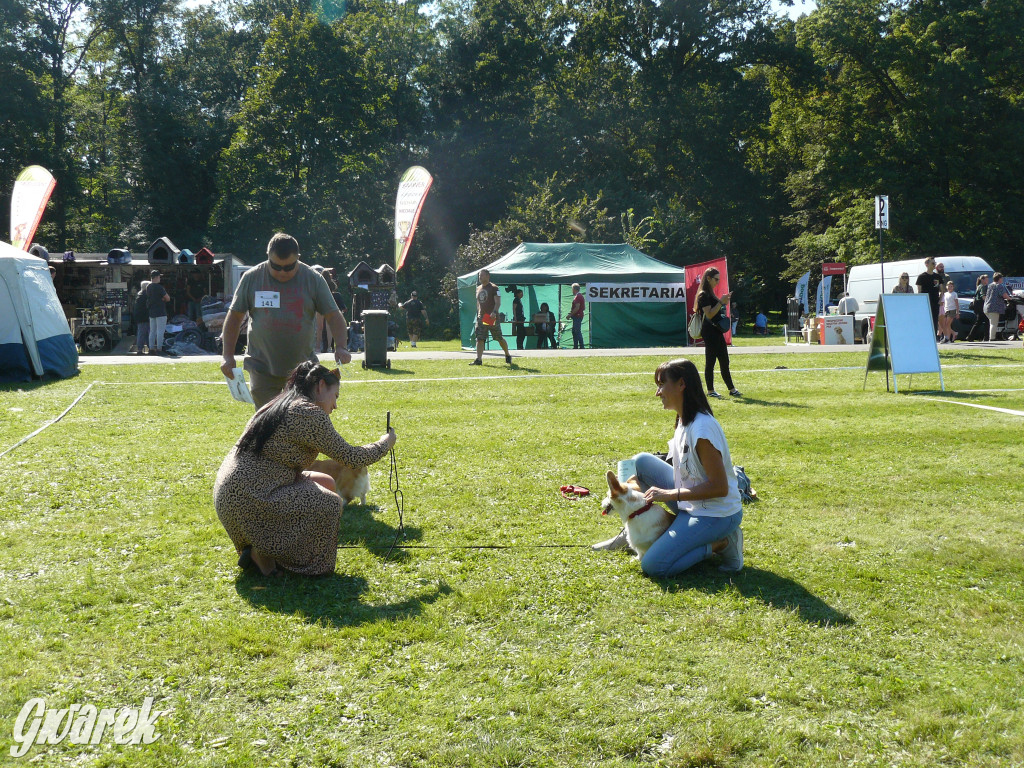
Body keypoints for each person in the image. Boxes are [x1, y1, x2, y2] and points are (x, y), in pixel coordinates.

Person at [213, 362, 396, 576]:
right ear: (320, 386)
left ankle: (265, 550)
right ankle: (293, 562)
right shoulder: (308, 413)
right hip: (253, 498)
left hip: (231, 496)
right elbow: (352, 457)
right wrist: (386, 442)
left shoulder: (280, 403)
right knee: (330, 503)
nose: (335, 405)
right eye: (335, 396)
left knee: (327, 483)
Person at [592, 358, 743, 575]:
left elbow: (720, 488)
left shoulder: (702, 429)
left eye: (661, 384)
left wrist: (669, 494)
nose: (657, 392)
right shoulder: (683, 420)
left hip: (716, 514)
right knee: (641, 461)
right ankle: (632, 531)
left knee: (653, 565)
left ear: (682, 384)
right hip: (693, 504)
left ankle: (721, 543)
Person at [220, 233, 351, 409]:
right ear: (268, 257)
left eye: (289, 267)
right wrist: (227, 356)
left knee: (302, 422)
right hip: (262, 368)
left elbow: (333, 316)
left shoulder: (313, 279)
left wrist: (341, 346)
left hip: (303, 371)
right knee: (268, 426)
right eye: (276, 266)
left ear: (298, 258)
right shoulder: (251, 278)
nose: (282, 272)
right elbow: (234, 317)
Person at [696, 267, 741, 398]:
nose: (717, 282)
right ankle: (710, 391)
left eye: (719, 280)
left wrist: (724, 302)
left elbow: (715, 312)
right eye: (716, 279)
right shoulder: (703, 294)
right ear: (708, 278)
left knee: (724, 360)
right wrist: (721, 302)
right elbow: (709, 314)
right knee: (711, 361)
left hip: (716, 330)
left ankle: (732, 389)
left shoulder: (710, 293)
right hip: (709, 331)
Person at [470, 268, 512, 365]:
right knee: (480, 338)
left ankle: (507, 354)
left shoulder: (494, 288)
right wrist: (478, 314)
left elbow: (498, 302)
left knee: (498, 338)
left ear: (488, 276)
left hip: (490, 317)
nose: (480, 277)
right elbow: (478, 303)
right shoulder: (478, 288)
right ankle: (479, 359)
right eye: (479, 275)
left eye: (482, 275)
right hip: (481, 317)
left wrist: (494, 312)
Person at [146, 270, 171, 354]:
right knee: (160, 331)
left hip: (152, 311)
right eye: (159, 276)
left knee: (152, 331)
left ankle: (151, 348)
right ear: (156, 277)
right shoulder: (159, 287)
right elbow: (168, 298)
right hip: (160, 311)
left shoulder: (148, 287)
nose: (160, 278)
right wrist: (163, 299)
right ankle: (159, 348)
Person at [915, 257, 941, 331]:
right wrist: (920, 302)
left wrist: (940, 299)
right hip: (925, 302)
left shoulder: (937, 276)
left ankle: (935, 338)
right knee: (925, 319)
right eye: (932, 263)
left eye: (935, 263)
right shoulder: (921, 277)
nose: (934, 265)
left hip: (935, 302)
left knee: (935, 320)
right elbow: (919, 291)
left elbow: (942, 290)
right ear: (927, 264)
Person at [984, 272, 1012, 341]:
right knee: (993, 323)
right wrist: (1010, 299)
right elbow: (1004, 295)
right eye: (1001, 278)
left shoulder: (990, 285)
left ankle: (991, 337)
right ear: (999, 279)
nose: (1002, 279)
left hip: (986, 307)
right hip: (994, 308)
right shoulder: (999, 286)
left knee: (991, 323)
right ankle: (992, 338)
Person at [965, 274, 990, 341]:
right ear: (982, 280)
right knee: (985, 321)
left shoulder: (978, 286)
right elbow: (983, 296)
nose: (987, 281)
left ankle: (971, 337)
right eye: (986, 279)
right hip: (981, 305)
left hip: (977, 306)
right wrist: (988, 303)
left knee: (980, 321)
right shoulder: (983, 287)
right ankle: (985, 337)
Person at [132, 280, 150, 355]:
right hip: (144, 316)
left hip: (139, 317)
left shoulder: (139, 294)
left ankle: (141, 348)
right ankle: (140, 349)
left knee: (143, 332)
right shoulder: (146, 295)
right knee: (144, 333)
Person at [567, 282, 585, 349]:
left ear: (574, 289)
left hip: (577, 316)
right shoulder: (580, 296)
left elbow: (577, 307)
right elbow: (583, 307)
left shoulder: (577, 297)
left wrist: (570, 314)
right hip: (578, 315)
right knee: (574, 331)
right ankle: (576, 346)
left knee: (577, 331)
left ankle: (581, 346)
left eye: (572, 289)